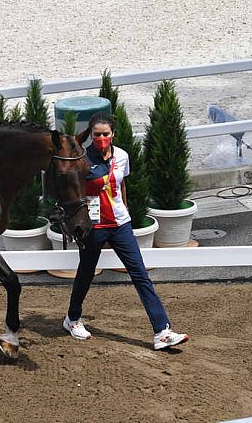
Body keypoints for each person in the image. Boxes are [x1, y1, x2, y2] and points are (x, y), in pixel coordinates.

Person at [62, 111, 189, 350]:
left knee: (140, 274)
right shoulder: (83, 160)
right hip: (95, 225)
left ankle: (162, 331)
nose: (101, 138)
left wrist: (127, 213)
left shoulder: (121, 156)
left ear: (113, 134)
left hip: (120, 224)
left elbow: (121, 185)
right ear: (91, 135)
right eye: (97, 134)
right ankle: (72, 319)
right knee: (86, 273)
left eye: (106, 134)